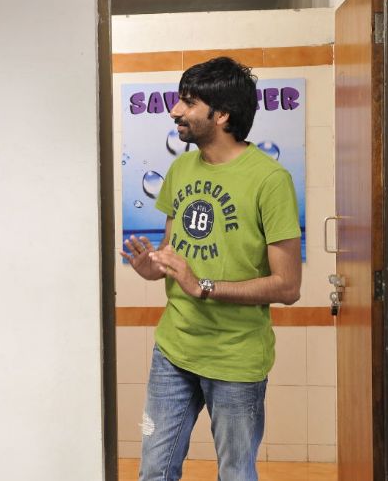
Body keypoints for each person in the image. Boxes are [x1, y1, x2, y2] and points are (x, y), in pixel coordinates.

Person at [120, 57, 302, 481]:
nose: (175, 111)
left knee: (236, 474)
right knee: (154, 471)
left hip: (236, 359)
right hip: (174, 350)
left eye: (188, 103)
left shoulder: (270, 180)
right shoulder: (181, 168)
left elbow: (288, 286)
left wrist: (202, 285)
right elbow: (172, 254)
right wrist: (152, 267)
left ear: (221, 115)